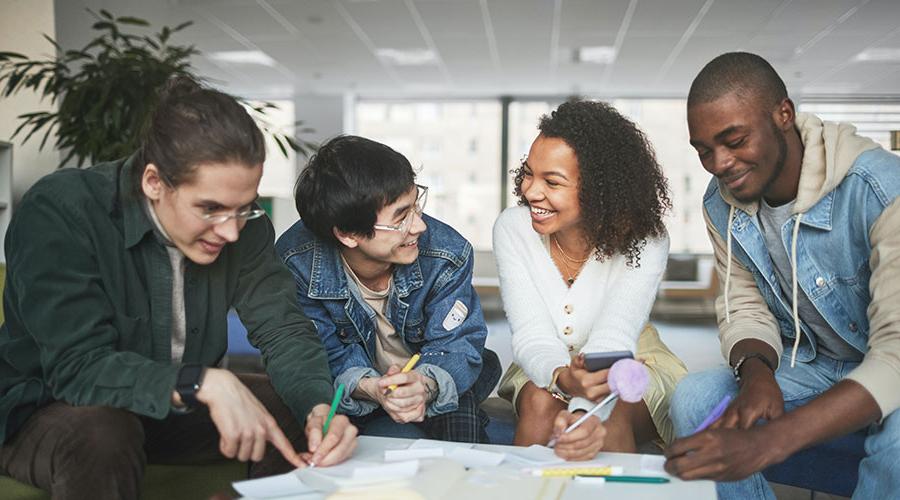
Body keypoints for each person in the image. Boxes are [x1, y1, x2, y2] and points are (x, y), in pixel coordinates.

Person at [0, 77, 357, 499]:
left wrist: (319, 407)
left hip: (170, 410)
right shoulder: (61, 210)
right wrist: (202, 382)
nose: (230, 231)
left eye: (244, 207)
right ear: (154, 182)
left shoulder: (245, 228)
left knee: (294, 404)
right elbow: (76, 368)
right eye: (210, 209)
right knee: (104, 430)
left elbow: (283, 330)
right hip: (49, 410)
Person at [665, 52, 900, 499]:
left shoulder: (882, 190)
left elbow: (895, 358)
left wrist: (767, 442)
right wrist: (757, 373)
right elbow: (743, 305)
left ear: (783, 115)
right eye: (704, 151)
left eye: (734, 140)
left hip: (888, 362)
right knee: (697, 397)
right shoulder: (721, 202)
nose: (719, 163)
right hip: (814, 364)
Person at [494, 99, 688, 459]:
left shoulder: (646, 238)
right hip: (544, 358)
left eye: (552, 181)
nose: (530, 191)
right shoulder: (513, 228)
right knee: (539, 403)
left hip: (629, 359)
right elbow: (532, 333)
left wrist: (583, 410)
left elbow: (615, 333)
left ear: (600, 189)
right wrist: (560, 376)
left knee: (607, 423)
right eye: (528, 173)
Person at [276, 135, 501, 443]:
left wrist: (422, 384)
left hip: (432, 369)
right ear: (348, 234)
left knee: (461, 410)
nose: (419, 226)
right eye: (400, 218)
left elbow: (456, 345)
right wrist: (372, 388)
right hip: (354, 382)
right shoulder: (297, 261)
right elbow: (321, 355)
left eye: (415, 206)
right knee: (327, 426)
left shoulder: (447, 252)